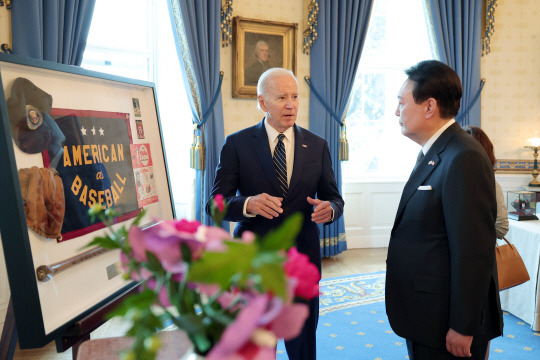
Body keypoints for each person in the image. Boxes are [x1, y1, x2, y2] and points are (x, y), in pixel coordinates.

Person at [206, 67, 344, 360]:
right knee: (257, 347)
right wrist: (247, 204)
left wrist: (329, 209)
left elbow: (334, 198)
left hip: (302, 264)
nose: (291, 104)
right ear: (262, 102)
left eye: (295, 96)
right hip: (255, 265)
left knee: (303, 346)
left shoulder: (317, 146)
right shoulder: (237, 144)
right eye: (282, 97)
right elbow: (214, 204)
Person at [385, 60, 503, 360]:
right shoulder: (437, 151)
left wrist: (463, 326)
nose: (396, 112)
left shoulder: (463, 156)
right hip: (427, 314)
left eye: (401, 103)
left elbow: (474, 251)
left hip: (447, 323)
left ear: (429, 107)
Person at [463, 126, 509, 360]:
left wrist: (472, 235)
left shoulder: (493, 185)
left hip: (482, 265)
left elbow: (502, 227)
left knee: (481, 327)